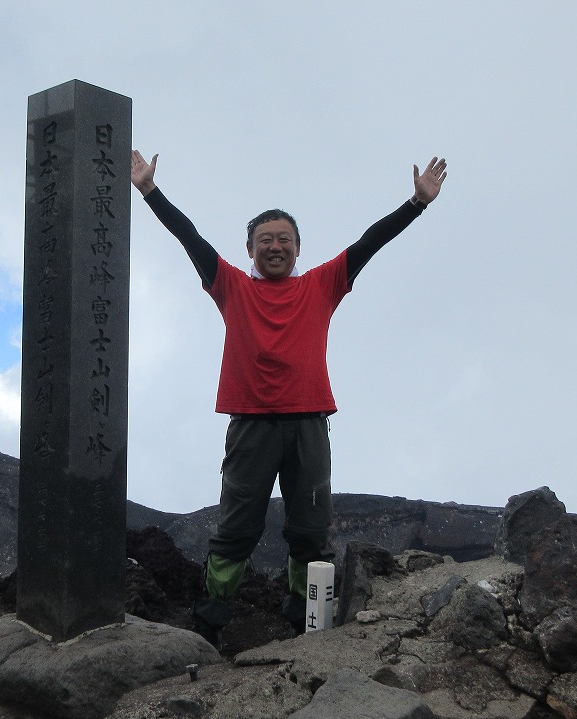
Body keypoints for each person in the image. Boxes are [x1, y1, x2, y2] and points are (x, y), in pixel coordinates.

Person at [130, 149, 447, 646]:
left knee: (310, 533)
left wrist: (416, 204)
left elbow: (370, 243)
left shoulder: (322, 284)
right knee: (235, 531)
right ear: (250, 249)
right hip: (251, 424)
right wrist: (150, 192)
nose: (274, 247)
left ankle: (308, 629)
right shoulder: (230, 285)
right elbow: (189, 238)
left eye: (284, 240)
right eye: (264, 241)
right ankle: (209, 628)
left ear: (298, 248)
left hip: (308, 426)